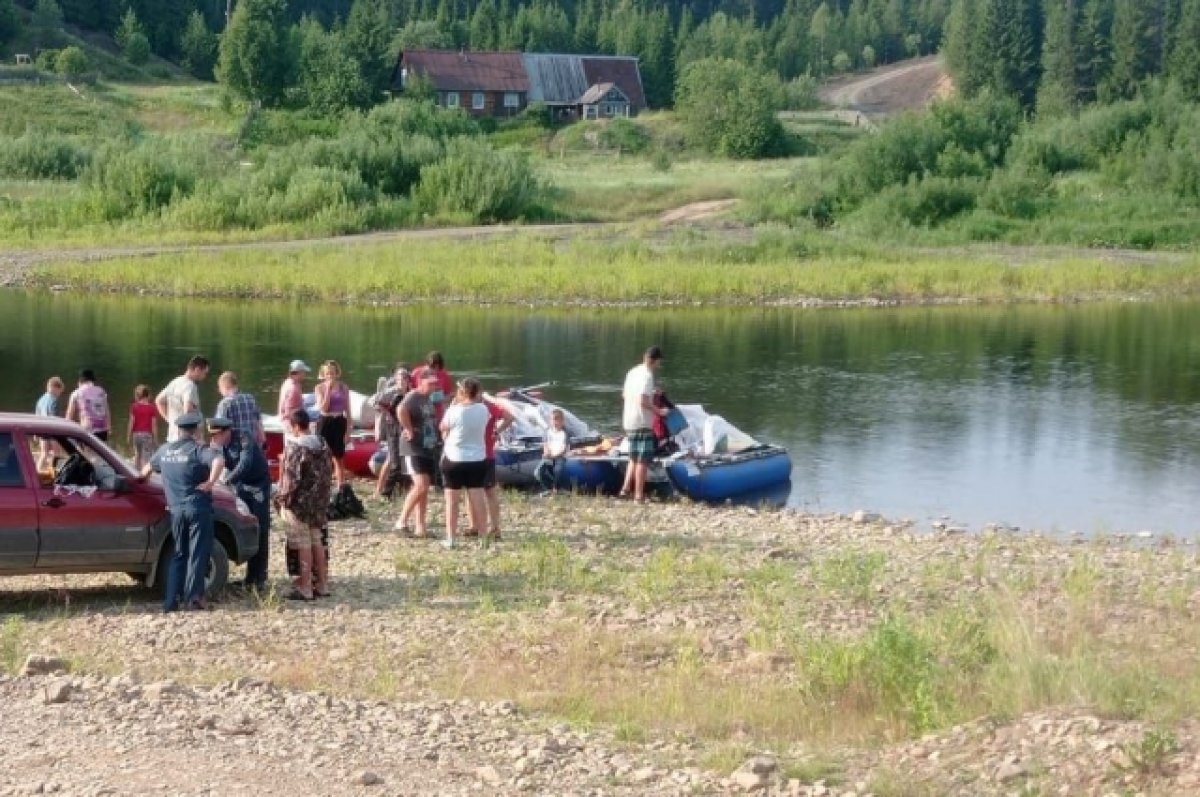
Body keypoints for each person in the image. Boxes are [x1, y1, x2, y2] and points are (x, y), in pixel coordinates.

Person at [140, 411, 223, 613]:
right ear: (195, 430)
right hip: (197, 508)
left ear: (178, 429)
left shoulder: (165, 451)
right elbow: (218, 461)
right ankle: (194, 598)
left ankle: (170, 601)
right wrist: (211, 482)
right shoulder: (197, 449)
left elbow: (144, 472)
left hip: (175, 510)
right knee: (197, 552)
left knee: (179, 553)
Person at [275, 409, 333, 601]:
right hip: (319, 501)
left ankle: (305, 587)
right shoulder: (323, 444)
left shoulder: (296, 447)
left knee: (302, 543)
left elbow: (292, 479)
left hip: (299, 503)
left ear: (295, 426)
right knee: (317, 541)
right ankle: (322, 584)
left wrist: (281, 498)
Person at [209, 416, 272, 592]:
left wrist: (226, 480)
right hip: (241, 486)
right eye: (212, 436)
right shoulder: (219, 444)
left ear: (226, 431)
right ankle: (249, 577)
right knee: (246, 526)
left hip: (258, 486)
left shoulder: (244, 438)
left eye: (216, 435)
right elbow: (217, 463)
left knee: (260, 528)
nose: (214, 439)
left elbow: (245, 463)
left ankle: (259, 577)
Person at [438, 377, 489, 549]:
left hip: (455, 457)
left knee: (452, 500)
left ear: (462, 392)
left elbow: (443, 427)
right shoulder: (483, 409)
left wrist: (453, 405)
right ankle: (483, 537)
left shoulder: (454, 410)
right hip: (476, 458)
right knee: (478, 497)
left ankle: (451, 538)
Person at [393, 370, 441, 538]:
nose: (433, 386)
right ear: (421, 382)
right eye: (430, 383)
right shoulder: (413, 396)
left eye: (435, 383)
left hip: (427, 446)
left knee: (424, 487)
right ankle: (401, 521)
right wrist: (408, 428)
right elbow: (400, 409)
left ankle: (420, 526)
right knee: (421, 484)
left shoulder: (428, 398)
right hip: (412, 447)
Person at [618, 345, 668, 502]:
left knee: (633, 457)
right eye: (659, 362)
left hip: (629, 420)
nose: (659, 365)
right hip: (642, 422)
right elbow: (642, 400)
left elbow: (625, 395)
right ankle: (639, 496)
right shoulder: (647, 375)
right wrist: (659, 411)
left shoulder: (633, 372)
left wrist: (653, 393)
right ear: (655, 360)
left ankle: (625, 489)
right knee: (642, 460)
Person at [478, 392, 516, 539]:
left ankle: (488, 526)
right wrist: (497, 431)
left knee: (479, 491)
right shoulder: (488, 407)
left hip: (480, 453)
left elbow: (510, 417)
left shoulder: (481, 407)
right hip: (486, 453)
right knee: (487, 492)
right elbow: (510, 417)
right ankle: (491, 526)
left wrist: (496, 431)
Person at [372, 365, 411, 501]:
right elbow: (375, 403)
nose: (403, 379)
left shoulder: (410, 392)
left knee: (402, 460)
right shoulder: (391, 391)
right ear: (395, 378)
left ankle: (404, 491)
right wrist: (384, 414)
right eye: (401, 376)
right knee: (393, 462)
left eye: (405, 376)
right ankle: (382, 491)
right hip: (392, 429)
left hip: (404, 429)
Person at [313, 359, 352, 490]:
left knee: (339, 457)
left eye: (332, 373)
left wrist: (348, 431)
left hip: (339, 421)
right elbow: (323, 408)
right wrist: (328, 391)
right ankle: (323, 486)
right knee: (323, 456)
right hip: (326, 421)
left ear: (337, 373)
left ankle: (340, 487)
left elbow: (348, 410)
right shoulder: (319, 388)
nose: (330, 376)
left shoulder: (343, 387)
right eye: (327, 373)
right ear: (324, 375)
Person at [156, 355, 210, 442]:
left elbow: (159, 401)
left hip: (173, 436)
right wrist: (196, 435)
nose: (204, 377)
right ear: (197, 370)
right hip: (187, 439)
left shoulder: (175, 382)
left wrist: (171, 421)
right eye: (205, 373)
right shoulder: (190, 386)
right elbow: (187, 409)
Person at [214, 371, 264, 444]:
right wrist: (263, 440)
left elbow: (217, 429)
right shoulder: (250, 398)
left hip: (235, 448)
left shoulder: (224, 403)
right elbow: (258, 422)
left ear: (225, 387)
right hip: (252, 445)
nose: (219, 391)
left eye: (220, 388)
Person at [66, 369, 111, 442]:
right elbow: (107, 411)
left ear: (80, 381)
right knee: (99, 452)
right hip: (102, 428)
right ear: (92, 380)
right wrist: (109, 427)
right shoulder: (101, 391)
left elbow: (69, 414)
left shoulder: (76, 393)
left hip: (86, 428)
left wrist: (66, 431)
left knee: (85, 452)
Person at [534, 408, 570, 495]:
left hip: (560, 456)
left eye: (557, 420)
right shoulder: (547, 431)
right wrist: (546, 452)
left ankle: (556, 488)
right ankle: (549, 488)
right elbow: (545, 444)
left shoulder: (565, 433)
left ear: (562, 421)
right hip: (549, 456)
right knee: (538, 472)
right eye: (553, 420)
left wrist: (554, 456)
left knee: (558, 470)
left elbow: (564, 449)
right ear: (550, 421)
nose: (555, 422)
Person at [410, 351, 454, 422]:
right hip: (419, 410)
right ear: (427, 364)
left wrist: (441, 398)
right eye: (432, 367)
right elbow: (409, 390)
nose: (435, 370)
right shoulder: (416, 373)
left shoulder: (444, 375)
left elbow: (449, 394)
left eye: (438, 368)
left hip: (437, 412)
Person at [127, 384, 159, 471]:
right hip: (147, 435)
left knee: (137, 455)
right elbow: (154, 425)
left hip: (136, 434)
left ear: (137, 395)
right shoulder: (151, 408)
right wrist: (155, 439)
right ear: (148, 395)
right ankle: (145, 475)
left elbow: (131, 422)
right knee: (146, 457)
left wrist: (128, 436)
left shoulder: (134, 406)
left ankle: (136, 473)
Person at [35, 376, 64, 470]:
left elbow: (37, 416)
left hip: (41, 429)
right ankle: (54, 474)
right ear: (55, 388)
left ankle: (38, 471)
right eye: (60, 391)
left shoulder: (41, 399)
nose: (59, 394)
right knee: (57, 453)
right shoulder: (53, 400)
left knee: (44, 454)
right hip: (52, 430)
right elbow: (53, 417)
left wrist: (36, 433)